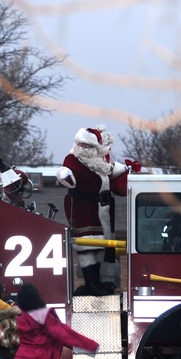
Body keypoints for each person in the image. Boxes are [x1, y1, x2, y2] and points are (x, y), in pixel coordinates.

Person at [56, 125, 139, 295]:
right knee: (87, 246)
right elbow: (66, 173)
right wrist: (64, 176)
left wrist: (126, 168)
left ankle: (100, 282)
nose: (85, 149)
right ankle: (91, 283)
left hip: (102, 209)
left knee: (102, 245)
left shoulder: (100, 159)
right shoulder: (73, 159)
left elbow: (110, 170)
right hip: (82, 208)